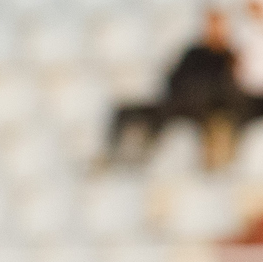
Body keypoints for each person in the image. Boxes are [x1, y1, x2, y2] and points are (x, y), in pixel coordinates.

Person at [104, 7, 251, 170]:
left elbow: (230, 92)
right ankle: (118, 157)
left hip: (205, 112)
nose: (213, 29)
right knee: (125, 110)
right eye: (210, 23)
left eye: (218, 24)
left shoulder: (230, 57)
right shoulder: (193, 52)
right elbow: (172, 79)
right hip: (177, 104)